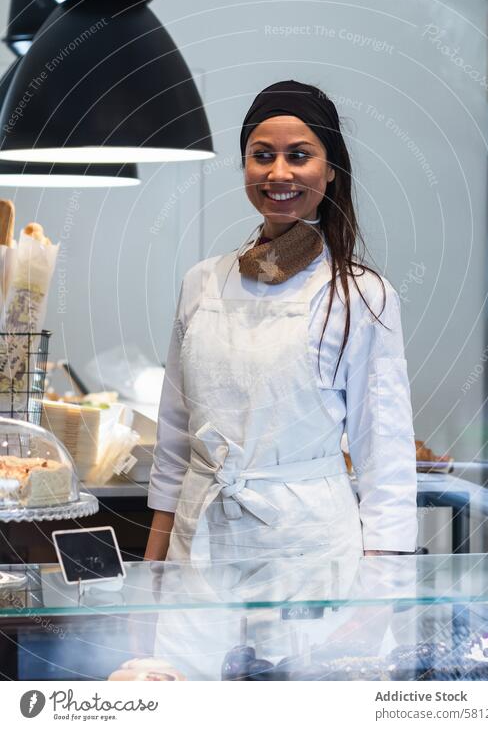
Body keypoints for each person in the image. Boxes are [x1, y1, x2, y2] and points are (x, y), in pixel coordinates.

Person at [145, 79, 418, 567]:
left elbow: (384, 455)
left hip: (307, 547)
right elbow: (174, 441)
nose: (279, 172)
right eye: (262, 154)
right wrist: (153, 571)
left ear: (330, 169)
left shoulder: (362, 295)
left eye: (299, 155)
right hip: (201, 540)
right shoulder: (202, 283)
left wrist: (381, 593)